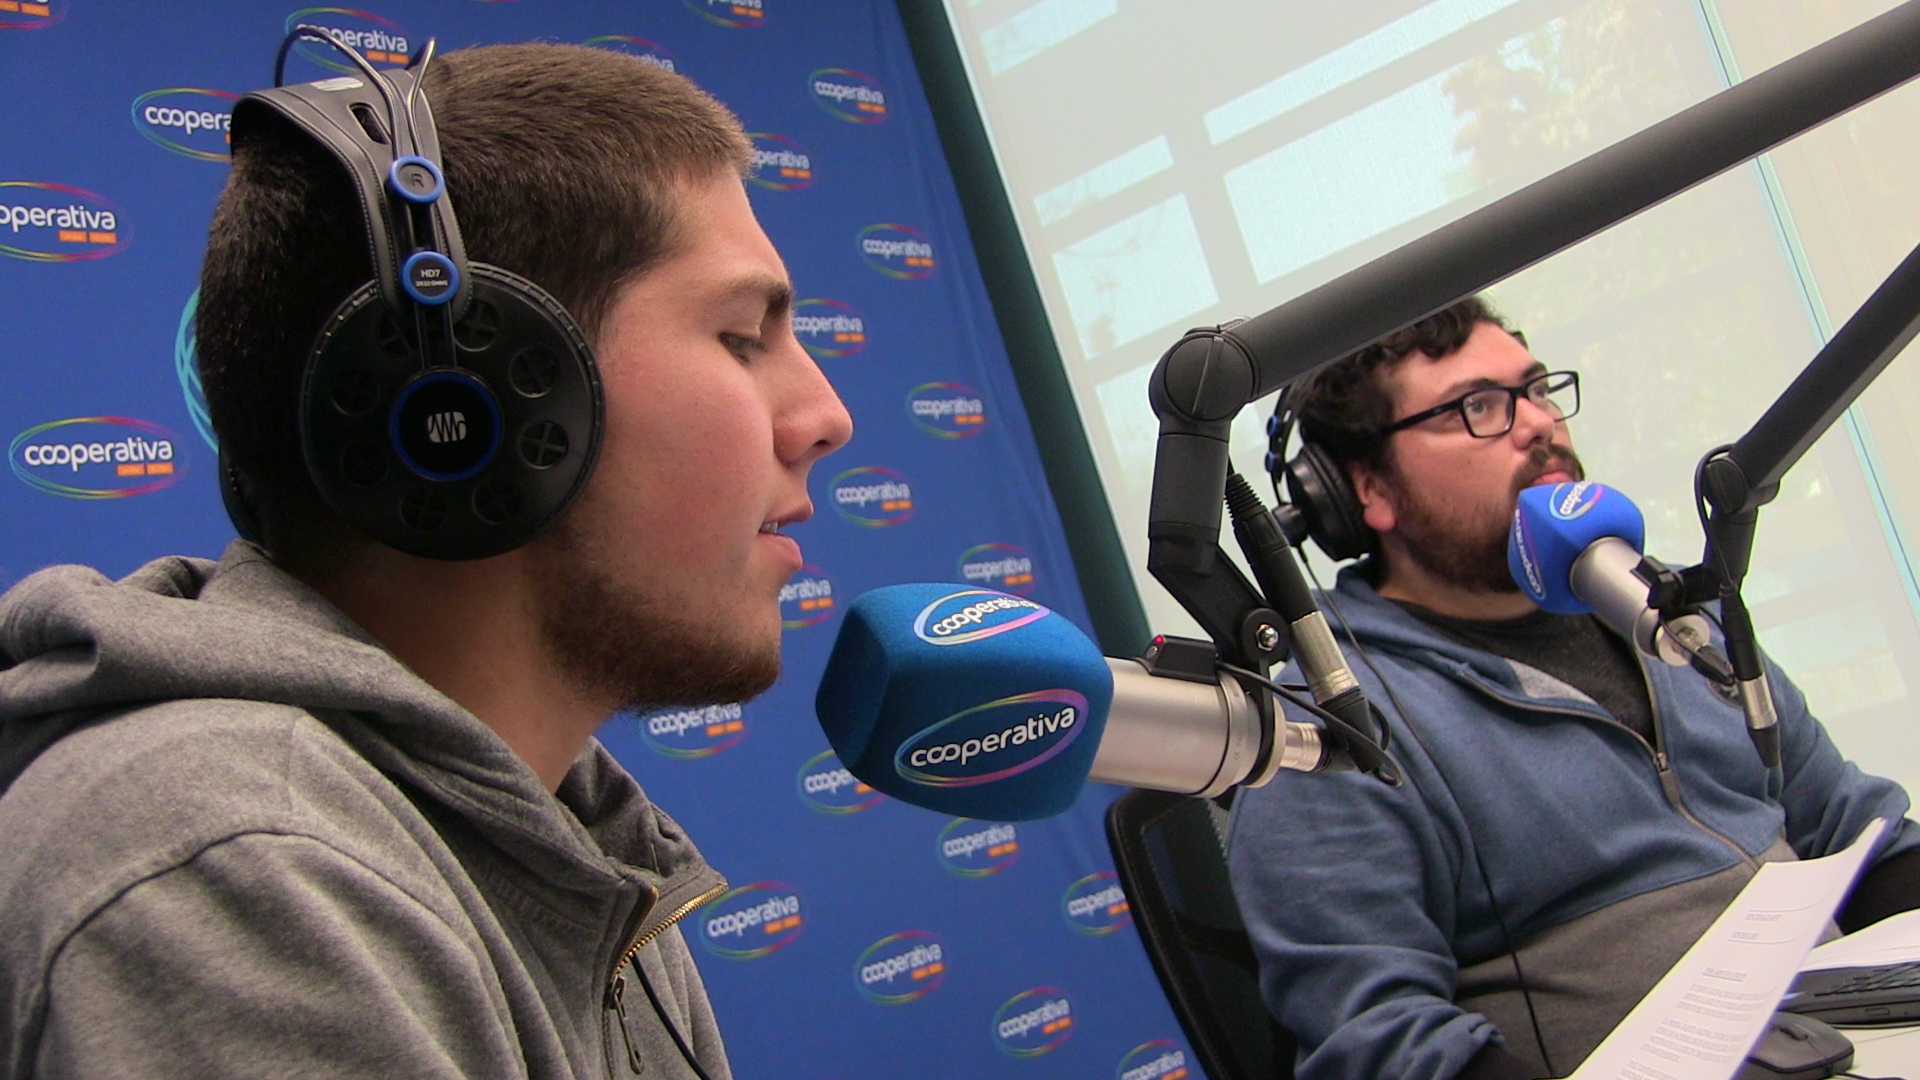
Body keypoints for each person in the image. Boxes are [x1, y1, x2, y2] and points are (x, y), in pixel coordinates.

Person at [0, 43, 851, 1079]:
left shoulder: (576, 848)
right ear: (478, 399)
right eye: (741, 335)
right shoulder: (242, 873)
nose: (826, 417)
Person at [1227, 296, 1920, 1080]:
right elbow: (1382, 1046)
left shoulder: (1671, 621)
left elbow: (1861, 836)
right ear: (1363, 494)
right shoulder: (1330, 738)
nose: (1537, 425)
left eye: (1537, 390)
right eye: (1478, 408)